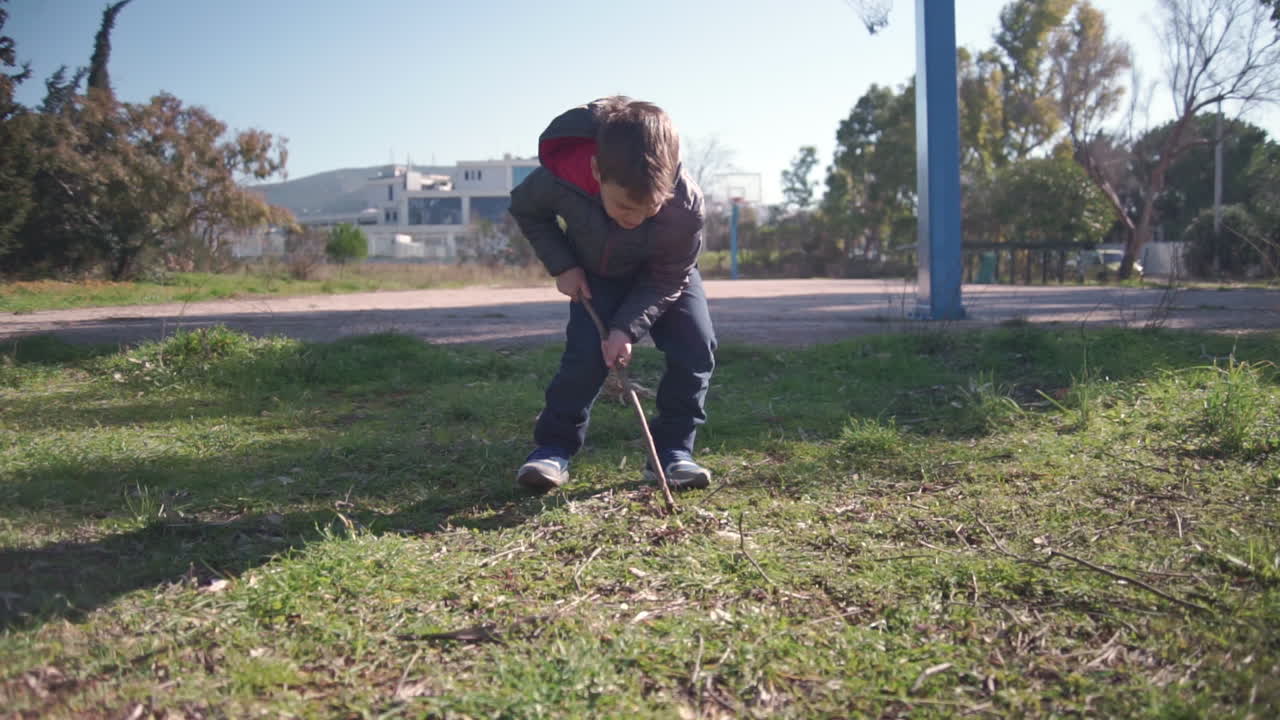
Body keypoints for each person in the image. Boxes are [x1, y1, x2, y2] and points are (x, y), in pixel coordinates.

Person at [508, 96, 716, 493]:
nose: (634, 219)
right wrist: (563, 265)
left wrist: (625, 328)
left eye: (648, 209)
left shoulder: (685, 205)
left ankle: (673, 453)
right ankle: (553, 449)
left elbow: (669, 278)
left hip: (665, 277)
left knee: (696, 346)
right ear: (596, 171)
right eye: (623, 205)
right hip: (596, 274)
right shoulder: (561, 176)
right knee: (585, 356)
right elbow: (526, 208)